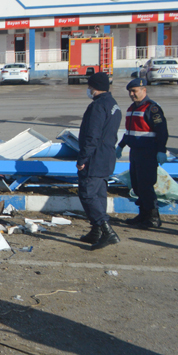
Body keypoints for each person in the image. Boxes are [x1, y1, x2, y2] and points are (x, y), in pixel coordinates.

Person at [76, 72, 122, 249]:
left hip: (94, 157)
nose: (88, 90)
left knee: (87, 193)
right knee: (100, 194)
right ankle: (96, 231)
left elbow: (92, 136)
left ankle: (107, 230)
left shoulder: (97, 106)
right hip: (107, 157)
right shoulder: (113, 105)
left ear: (93, 87)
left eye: (89, 87)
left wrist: (83, 158)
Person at [116, 77, 168, 228]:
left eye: (134, 91)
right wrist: (121, 145)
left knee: (146, 185)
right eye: (130, 92)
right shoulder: (132, 108)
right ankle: (143, 214)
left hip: (148, 152)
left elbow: (162, 131)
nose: (132, 94)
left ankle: (153, 218)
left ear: (144, 90)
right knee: (137, 185)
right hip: (135, 152)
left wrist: (161, 150)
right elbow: (130, 132)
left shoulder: (152, 108)